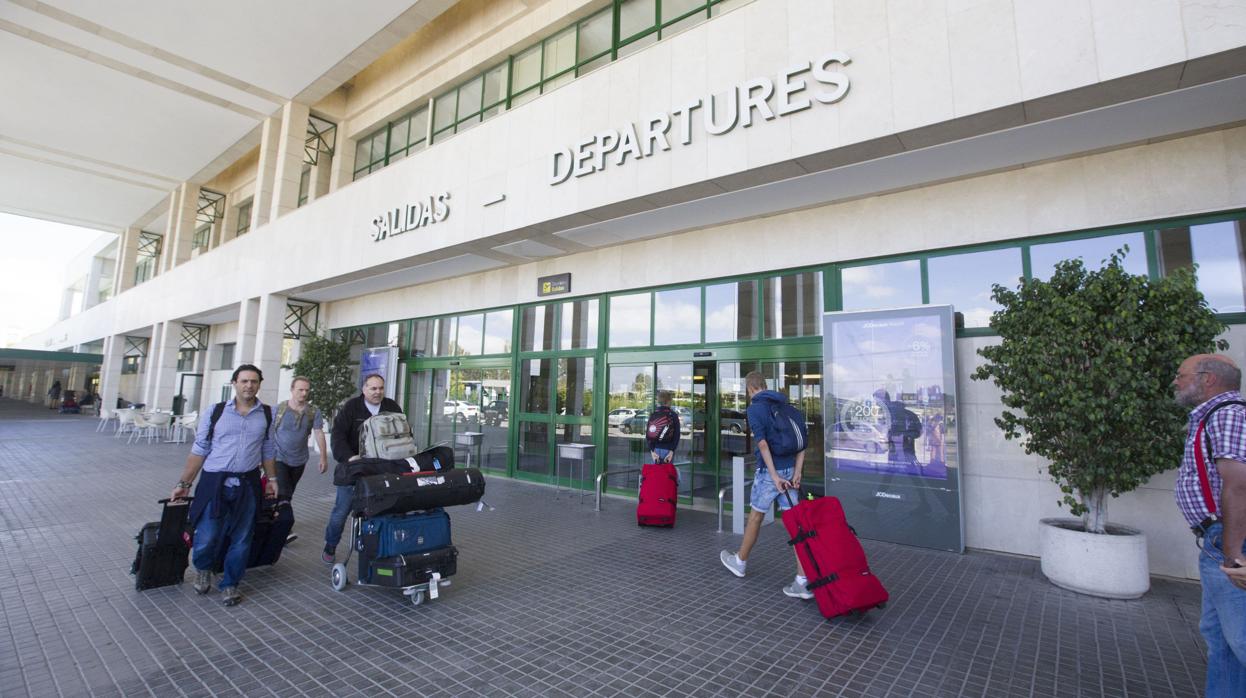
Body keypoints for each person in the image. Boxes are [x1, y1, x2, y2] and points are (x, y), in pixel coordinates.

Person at [171, 365, 277, 607]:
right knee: (207, 534)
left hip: (248, 484)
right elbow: (199, 450)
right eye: (244, 381)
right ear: (234, 383)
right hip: (214, 482)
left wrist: (272, 480)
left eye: (253, 381)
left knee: (242, 538)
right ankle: (204, 568)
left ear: (259, 384)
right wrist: (183, 483)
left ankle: (230, 583)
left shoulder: (267, 414)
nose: (249, 385)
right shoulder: (216, 412)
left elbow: (268, 450)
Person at [1172, 353, 1246, 695]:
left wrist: (1233, 555)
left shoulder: (1226, 415)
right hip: (1218, 540)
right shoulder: (1210, 417)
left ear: (1208, 379)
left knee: (1241, 640)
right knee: (1221, 641)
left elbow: (1238, 484)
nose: (1176, 381)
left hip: (1229, 544)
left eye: (1182, 374)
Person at [719, 371, 809, 599]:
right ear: (765, 385)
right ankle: (803, 580)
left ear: (750, 389)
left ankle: (740, 561)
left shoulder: (755, 409)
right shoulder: (789, 407)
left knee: (756, 516)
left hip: (772, 473)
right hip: (791, 471)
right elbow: (802, 443)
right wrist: (797, 472)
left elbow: (762, 445)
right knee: (795, 525)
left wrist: (774, 475)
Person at [323, 373, 402, 564]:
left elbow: (403, 433)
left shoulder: (392, 407)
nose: (377, 392)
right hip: (353, 470)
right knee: (341, 512)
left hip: (383, 470)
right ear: (364, 389)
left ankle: (375, 546)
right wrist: (350, 458)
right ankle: (330, 546)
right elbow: (338, 436)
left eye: (380, 388)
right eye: (373, 388)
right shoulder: (351, 407)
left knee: (382, 510)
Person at [270, 376, 328, 544]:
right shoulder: (279, 409)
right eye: (300, 390)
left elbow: (318, 433)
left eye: (306, 390)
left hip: (299, 460)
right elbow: (268, 433)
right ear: (292, 389)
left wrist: (323, 457)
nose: (304, 393)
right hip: (279, 457)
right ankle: (286, 528)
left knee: (288, 493)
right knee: (283, 492)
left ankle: (277, 518)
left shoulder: (313, 411)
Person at [646, 390, 681, 464]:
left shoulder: (654, 414)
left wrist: (652, 450)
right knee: (667, 473)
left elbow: (648, 434)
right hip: (668, 449)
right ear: (668, 401)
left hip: (655, 449)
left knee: (656, 473)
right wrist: (671, 451)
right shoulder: (673, 415)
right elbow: (676, 435)